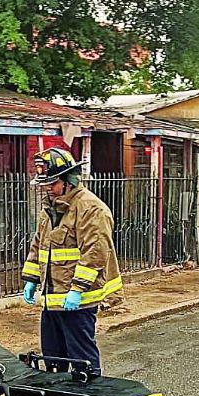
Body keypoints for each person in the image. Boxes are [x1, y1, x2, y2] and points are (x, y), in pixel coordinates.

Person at [21, 147, 122, 375]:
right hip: (53, 298)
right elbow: (39, 246)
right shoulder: (50, 209)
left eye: (52, 183)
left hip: (79, 300)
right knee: (53, 357)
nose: (48, 189)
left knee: (81, 358)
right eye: (44, 184)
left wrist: (77, 290)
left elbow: (94, 253)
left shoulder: (91, 209)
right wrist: (31, 279)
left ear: (69, 180)